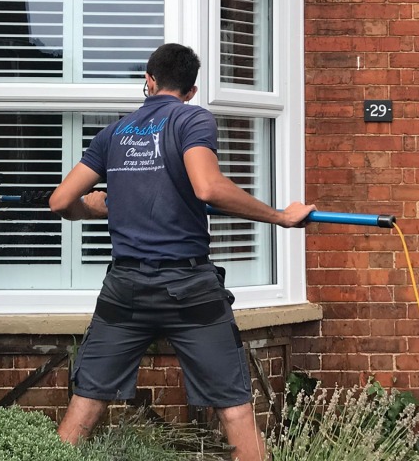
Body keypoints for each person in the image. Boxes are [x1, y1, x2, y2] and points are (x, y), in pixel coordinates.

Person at [49, 43, 314, 461]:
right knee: (233, 406)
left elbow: (61, 201)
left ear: (148, 81)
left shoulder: (114, 133)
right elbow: (208, 188)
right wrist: (281, 217)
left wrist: (96, 206)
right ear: (190, 90)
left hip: (126, 287)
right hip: (188, 287)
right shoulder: (192, 118)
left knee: (87, 399)